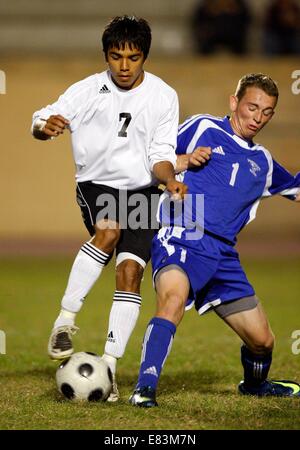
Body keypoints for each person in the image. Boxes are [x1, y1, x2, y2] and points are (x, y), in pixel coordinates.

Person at [31, 15, 187, 402]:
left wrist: (168, 180)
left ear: (144, 57)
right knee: (109, 230)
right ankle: (65, 320)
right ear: (105, 55)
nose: (123, 65)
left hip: (144, 191)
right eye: (116, 56)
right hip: (97, 185)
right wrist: (44, 126)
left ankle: (110, 368)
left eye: (133, 57)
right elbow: (42, 117)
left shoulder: (164, 96)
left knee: (131, 273)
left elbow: (161, 154)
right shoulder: (87, 90)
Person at [129, 73, 300, 407]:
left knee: (263, 342)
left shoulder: (262, 162)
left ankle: (254, 386)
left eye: (266, 112)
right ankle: (144, 388)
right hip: (182, 234)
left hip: (223, 255)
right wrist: (183, 162)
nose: (258, 117)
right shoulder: (203, 128)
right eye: (252, 107)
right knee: (172, 300)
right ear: (234, 102)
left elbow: (295, 189)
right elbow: (154, 160)